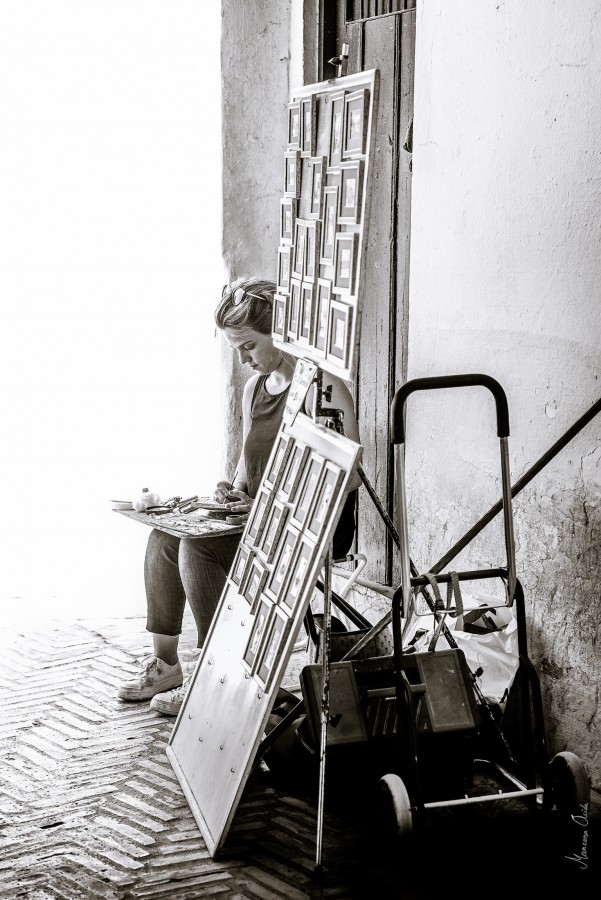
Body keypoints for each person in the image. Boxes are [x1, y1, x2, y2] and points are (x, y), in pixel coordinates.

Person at [117, 276, 362, 715]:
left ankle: (220, 677)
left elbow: (350, 479)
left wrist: (272, 501)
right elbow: (246, 473)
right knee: (164, 539)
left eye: (247, 346)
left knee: (198, 548)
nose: (243, 358)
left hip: (307, 524)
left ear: (278, 333)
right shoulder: (255, 391)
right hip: (258, 515)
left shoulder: (321, 389)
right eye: (235, 349)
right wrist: (227, 495)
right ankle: (167, 665)